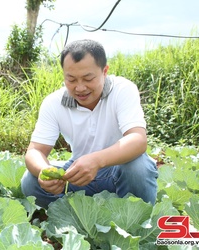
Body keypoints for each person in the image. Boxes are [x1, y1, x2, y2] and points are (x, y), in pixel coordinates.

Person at [21, 39, 158, 209]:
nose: (80, 88)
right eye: (71, 79)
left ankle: (130, 218)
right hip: (77, 177)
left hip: (118, 173)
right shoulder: (53, 103)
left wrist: (97, 160)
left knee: (137, 168)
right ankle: (78, 215)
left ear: (104, 71)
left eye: (88, 78)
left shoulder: (123, 89)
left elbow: (138, 139)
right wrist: (43, 171)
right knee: (30, 181)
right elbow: (35, 151)